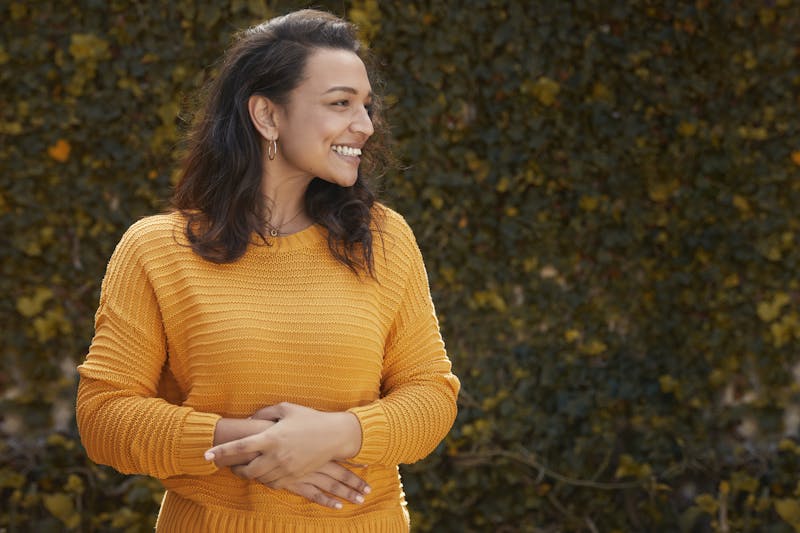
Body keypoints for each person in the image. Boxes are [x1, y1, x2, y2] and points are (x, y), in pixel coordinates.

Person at [75, 8, 460, 532]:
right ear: (267, 115)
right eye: (340, 103)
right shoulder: (156, 249)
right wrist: (254, 446)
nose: (365, 125)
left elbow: (432, 396)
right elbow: (103, 417)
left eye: (366, 106)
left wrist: (337, 435)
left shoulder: (383, 239)